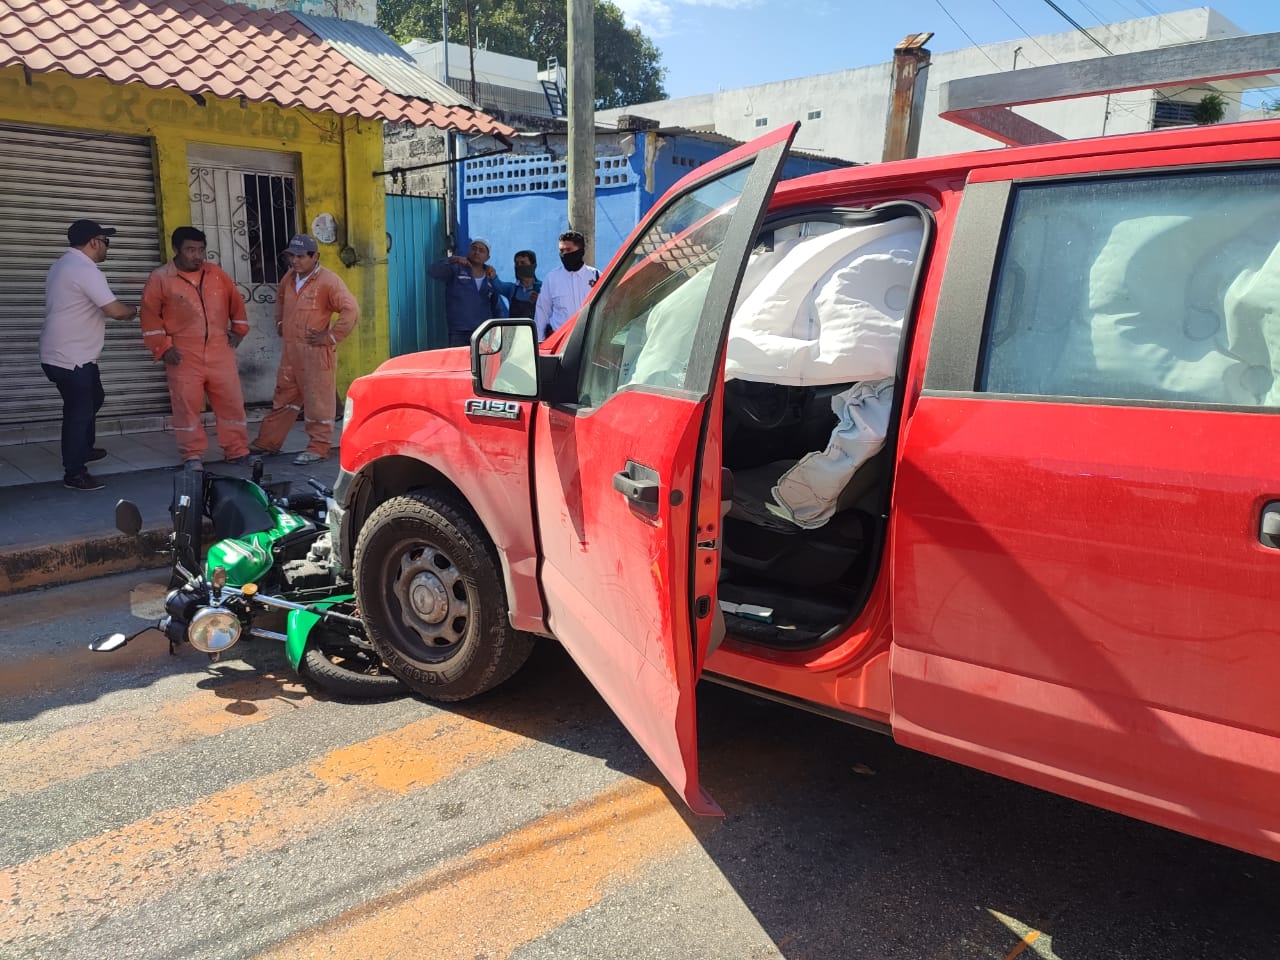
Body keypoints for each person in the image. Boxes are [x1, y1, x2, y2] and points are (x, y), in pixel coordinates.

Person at [39, 219, 138, 491]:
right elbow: (116, 310)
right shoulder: (85, 269)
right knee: (78, 412)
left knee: (95, 398)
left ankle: (83, 448)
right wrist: (135, 311)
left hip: (67, 353)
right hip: (71, 356)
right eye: (106, 242)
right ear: (94, 242)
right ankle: (75, 472)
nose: (107, 248)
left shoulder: (62, 264)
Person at [140, 226, 251, 467]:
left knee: (231, 403)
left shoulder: (216, 274)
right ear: (176, 249)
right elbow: (149, 316)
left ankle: (237, 450)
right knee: (186, 407)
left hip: (220, 352)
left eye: (201, 250)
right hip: (183, 355)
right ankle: (192, 454)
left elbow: (236, 304)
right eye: (190, 250)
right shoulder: (160, 278)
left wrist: (239, 331)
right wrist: (163, 347)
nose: (197, 256)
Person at [250, 235, 359, 465]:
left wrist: (330, 337)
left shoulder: (329, 281)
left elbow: (350, 310)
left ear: (314, 256)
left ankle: (318, 448)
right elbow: (280, 301)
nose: (295, 261)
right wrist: (280, 323)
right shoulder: (289, 278)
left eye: (300, 256)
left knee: (318, 401)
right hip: (291, 352)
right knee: (283, 398)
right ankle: (268, 443)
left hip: (316, 353)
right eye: (292, 256)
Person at [428, 239, 507, 347]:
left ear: (487, 257)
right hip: (459, 332)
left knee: (482, 363)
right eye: (474, 248)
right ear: (468, 251)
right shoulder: (456, 269)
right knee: (459, 362)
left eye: (481, 250)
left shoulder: (490, 277)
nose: (477, 252)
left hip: (484, 332)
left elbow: (497, 307)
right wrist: (452, 259)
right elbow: (433, 271)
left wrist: (500, 330)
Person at [534, 230, 599, 340]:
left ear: (581, 250)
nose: (564, 254)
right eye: (561, 251)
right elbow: (542, 313)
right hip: (559, 341)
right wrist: (539, 344)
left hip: (588, 340)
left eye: (569, 250)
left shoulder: (596, 276)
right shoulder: (552, 278)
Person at [496, 249, 540, 320]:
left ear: (533, 265)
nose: (519, 266)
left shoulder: (542, 288)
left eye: (523, 263)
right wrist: (492, 275)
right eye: (517, 263)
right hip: (514, 330)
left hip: (534, 330)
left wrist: (541, 301)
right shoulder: (512, 289)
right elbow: (498, 286)